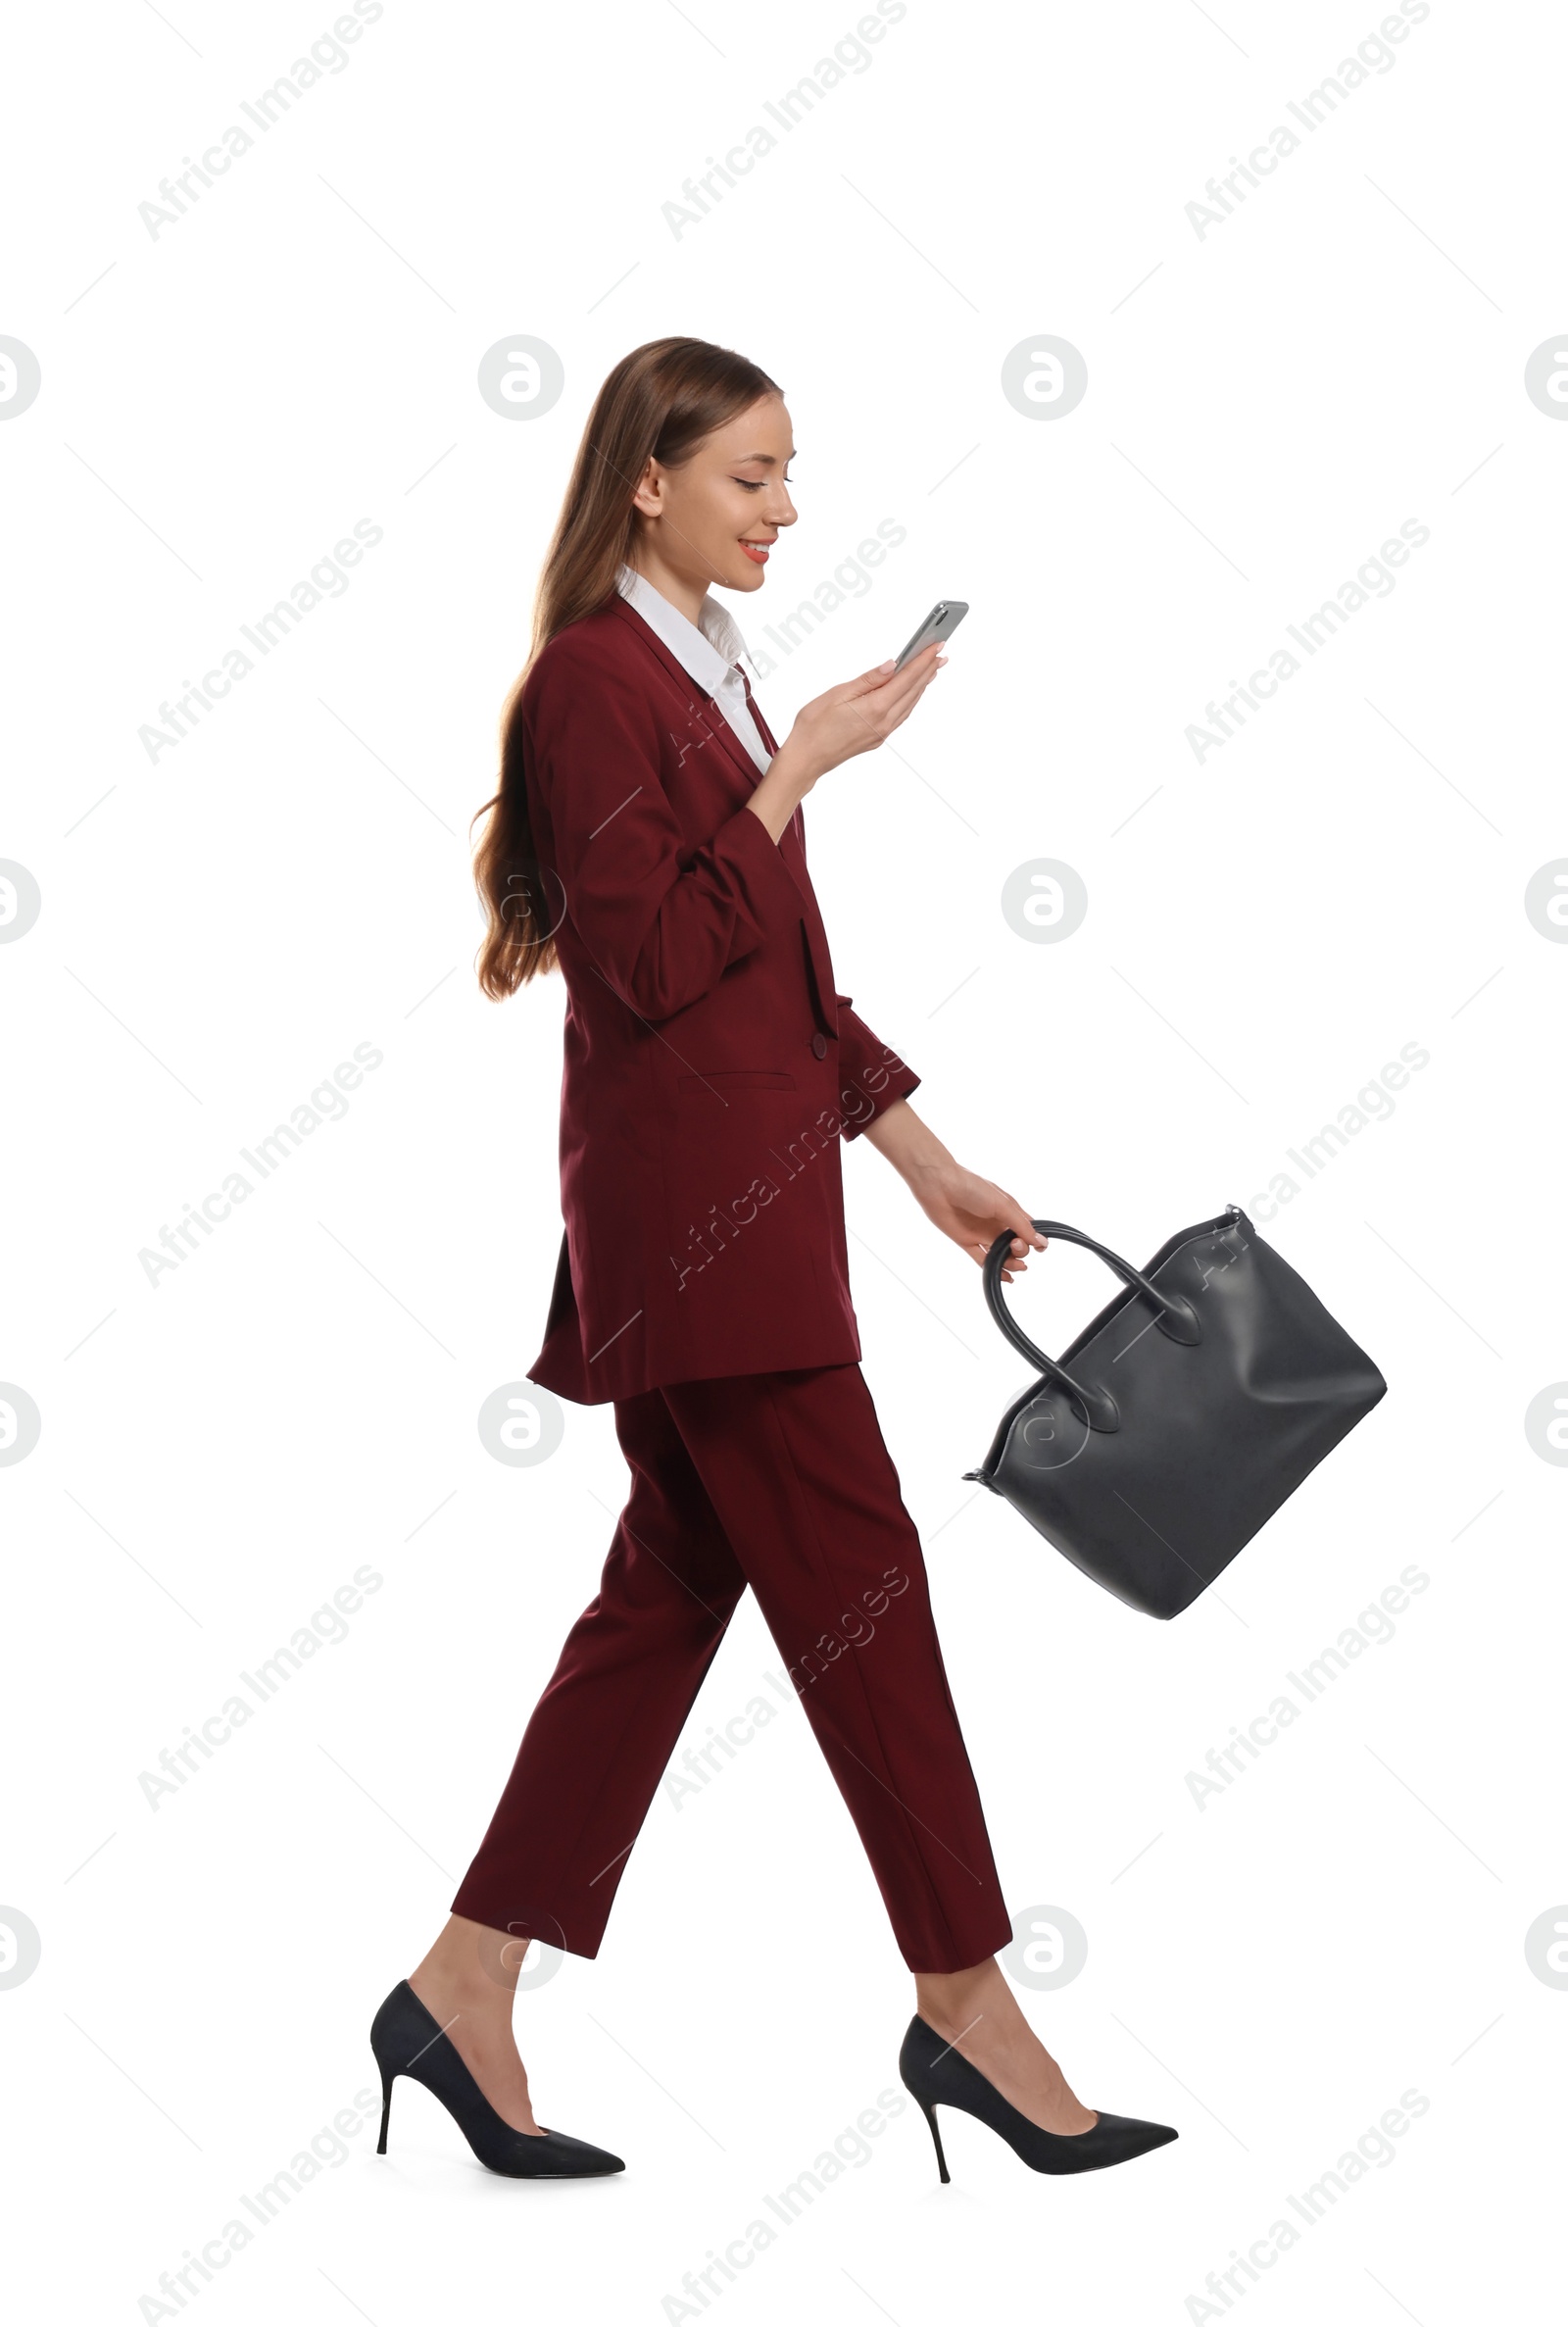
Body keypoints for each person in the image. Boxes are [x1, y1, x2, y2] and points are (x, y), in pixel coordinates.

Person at [369, 337, 1177, 2184]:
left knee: (667, 1596)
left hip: (753, 1225)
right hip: (698, 1249)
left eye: (790, 473)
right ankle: (967, 2001)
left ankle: (460, 1983)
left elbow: (777, 981)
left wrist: (923, 1158)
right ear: (647, 482)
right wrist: (800, 764)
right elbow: (648, 962)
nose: (789, 509)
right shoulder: (597, 685)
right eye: (754, 475)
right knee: (867, 1595)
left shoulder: (707, 673)